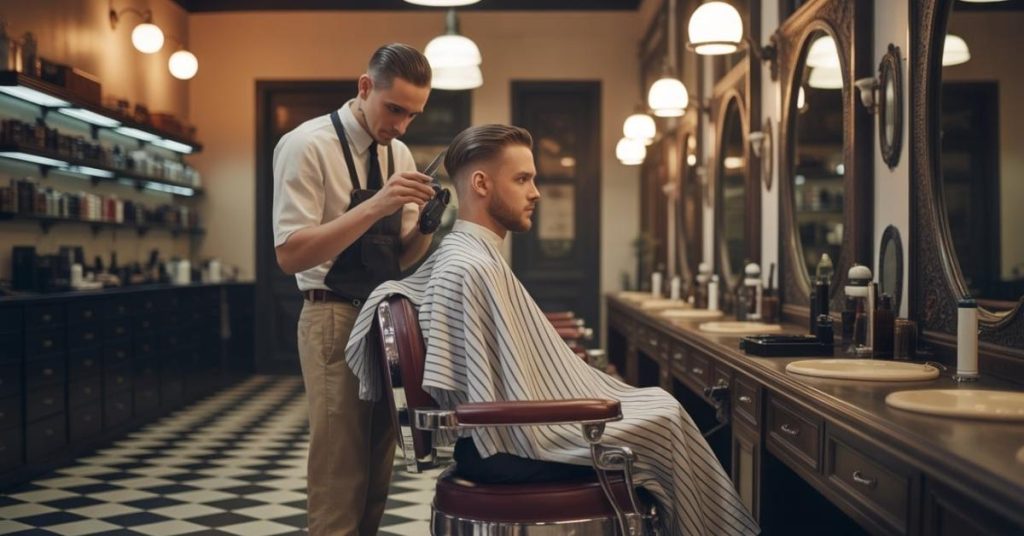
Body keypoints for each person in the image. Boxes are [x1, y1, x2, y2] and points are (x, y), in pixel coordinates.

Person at [344, 124, 760, 535]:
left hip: (499, 438)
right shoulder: (471, 267)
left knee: (660, 406)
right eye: (523, 179)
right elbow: (489, 399)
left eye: (534, 179)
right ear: (482, 183)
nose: (536, 192)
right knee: (665, 415)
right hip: (505, 449)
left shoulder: (467, 255)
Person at [271, 43, 437, 536]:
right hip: (332, 316)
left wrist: (426, 225)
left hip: (384, 318)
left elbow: (400, 256)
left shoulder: (399, 152)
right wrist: (375, 205)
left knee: (378, 459)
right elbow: (290, 254)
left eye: (413, 114)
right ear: (365, 88)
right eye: (395, 110)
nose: (402, 126)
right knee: (340, 466)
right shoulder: (307, 145)